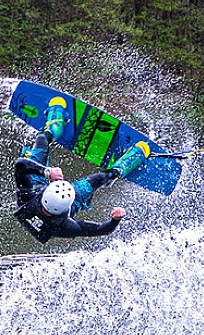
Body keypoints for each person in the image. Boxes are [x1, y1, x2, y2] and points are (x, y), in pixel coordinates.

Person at [14, 97, 150, 244]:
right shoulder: (65, 226)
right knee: (100, 178)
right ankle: (129, 162)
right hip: (58, 210)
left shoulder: (27, 197)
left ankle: (55, 123)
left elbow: (20, 165)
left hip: (37, 185)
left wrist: (47, 172)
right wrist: (115, 219)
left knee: (42, 139)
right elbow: (101, 229)